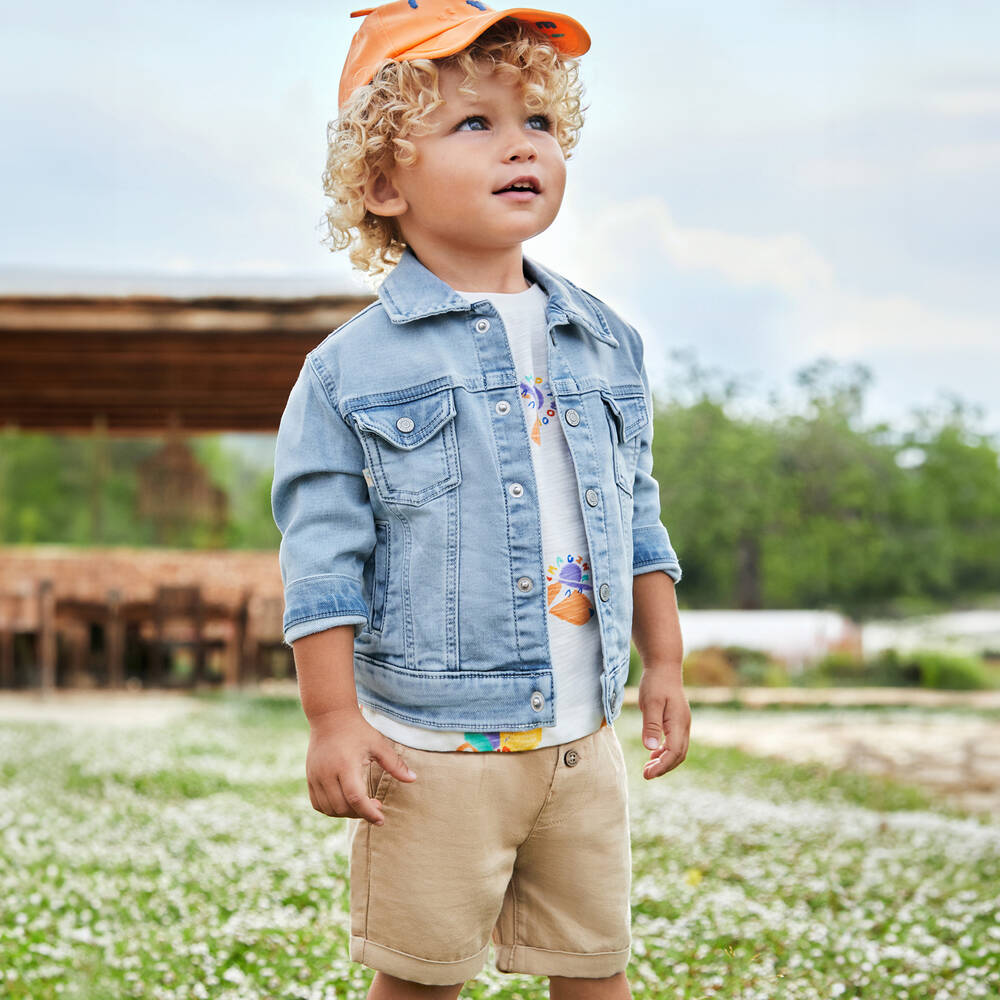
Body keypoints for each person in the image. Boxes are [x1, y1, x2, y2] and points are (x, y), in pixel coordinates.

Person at [270, 2, 690, 996]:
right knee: (419, 979)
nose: (521, 148)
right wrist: (333, 720)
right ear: (381, 181)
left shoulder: (605, 340)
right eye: (474, 124)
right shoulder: (347, 372)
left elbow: (636, 510)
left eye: (537, 123)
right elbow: (322, 559)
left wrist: (664, 661)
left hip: (582, 741)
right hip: (432, 753)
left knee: (595, 969)